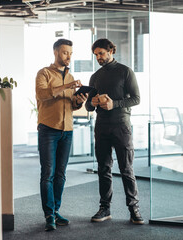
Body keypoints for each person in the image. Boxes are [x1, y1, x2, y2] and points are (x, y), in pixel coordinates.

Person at [85, 38, 144, 224]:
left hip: (121, 126)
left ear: (111, 51)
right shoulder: (95, 76)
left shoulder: (125, 72)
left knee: (126, 169)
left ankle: (134, 209)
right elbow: (88, 106)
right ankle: (105, 208)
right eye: (96, 55)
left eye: (101, 53)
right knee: (104, 169)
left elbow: (136, 99)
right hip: (101, 126)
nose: (99, 57)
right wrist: (91, 103)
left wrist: (114, 104)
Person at [35, 38, 88, 231]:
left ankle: (56, 211)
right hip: (48, 129)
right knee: (47, 174)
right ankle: (49, 215)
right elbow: (43, 95)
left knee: (61, 175)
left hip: (67, 130)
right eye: (65, 52)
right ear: (56, 52)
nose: (69, 56)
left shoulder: (70, 75)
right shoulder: (44, 73)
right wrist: (67, 86)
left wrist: (79, 101)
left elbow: (71, 106)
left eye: (71, 53)